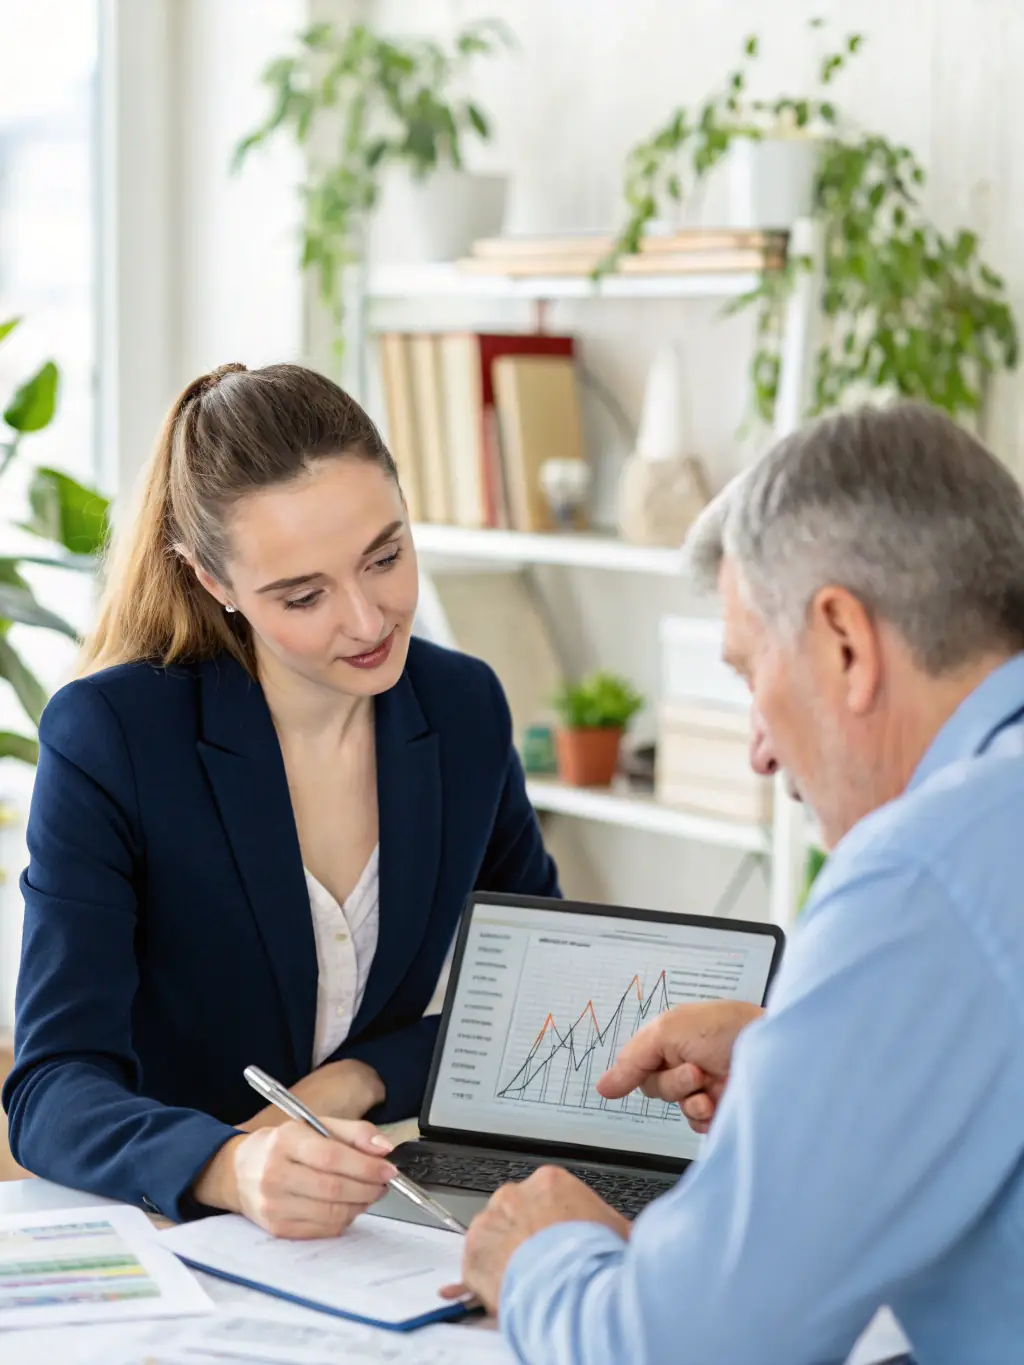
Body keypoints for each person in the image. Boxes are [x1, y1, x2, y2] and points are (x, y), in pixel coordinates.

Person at [451, 402, 1024, 1365]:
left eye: (749, 669)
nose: (757, 749)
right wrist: (801, 1060)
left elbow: (680, 1349)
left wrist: (542, 1256)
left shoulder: (921, 871)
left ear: (845, 642)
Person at [2, 362, 558, 1235]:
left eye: (387, 557)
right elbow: (50, 1087)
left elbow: (540, 995)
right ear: (213, 581)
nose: (370, 621)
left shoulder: (463, 710)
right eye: (303, 595)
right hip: (174, 1229)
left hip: (374, 1215)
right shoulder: (112, 734)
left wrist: (358, 1078)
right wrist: (229, 1165)